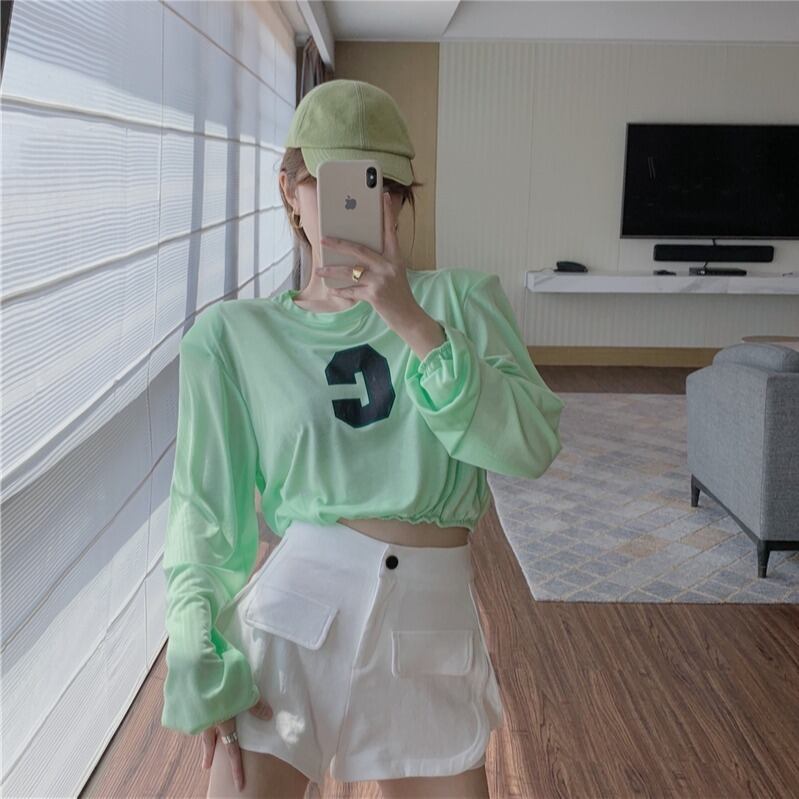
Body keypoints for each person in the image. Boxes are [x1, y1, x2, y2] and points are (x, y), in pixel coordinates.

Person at [160, 79, 566, 798]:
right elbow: (204, 514)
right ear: (290, 190)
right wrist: (196, 648)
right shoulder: (232, 336)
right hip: (295, 618)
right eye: (338, 182)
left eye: (385, 186)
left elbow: (529, 447)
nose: (366, 206)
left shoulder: (460, 302)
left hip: (429, 629)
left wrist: (411, 320)